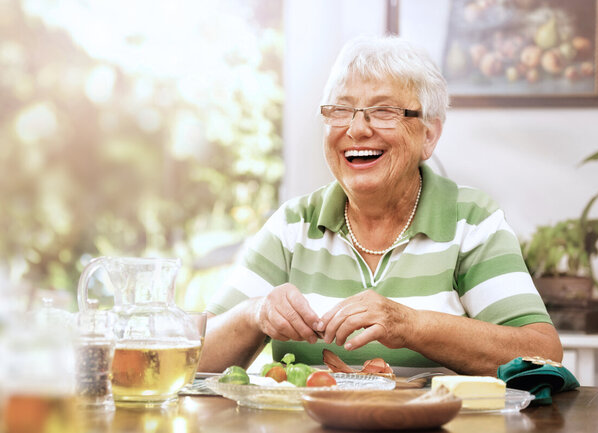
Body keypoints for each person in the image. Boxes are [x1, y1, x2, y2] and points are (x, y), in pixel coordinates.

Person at [199, 35, 563, 376]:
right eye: (342, 110)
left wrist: (409, 325)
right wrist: (254, 313)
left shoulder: (471, 221)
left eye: (384, 111)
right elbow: (194, 356)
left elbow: (541, 354)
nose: (357, 129)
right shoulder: (294, 225)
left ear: (429, 135)